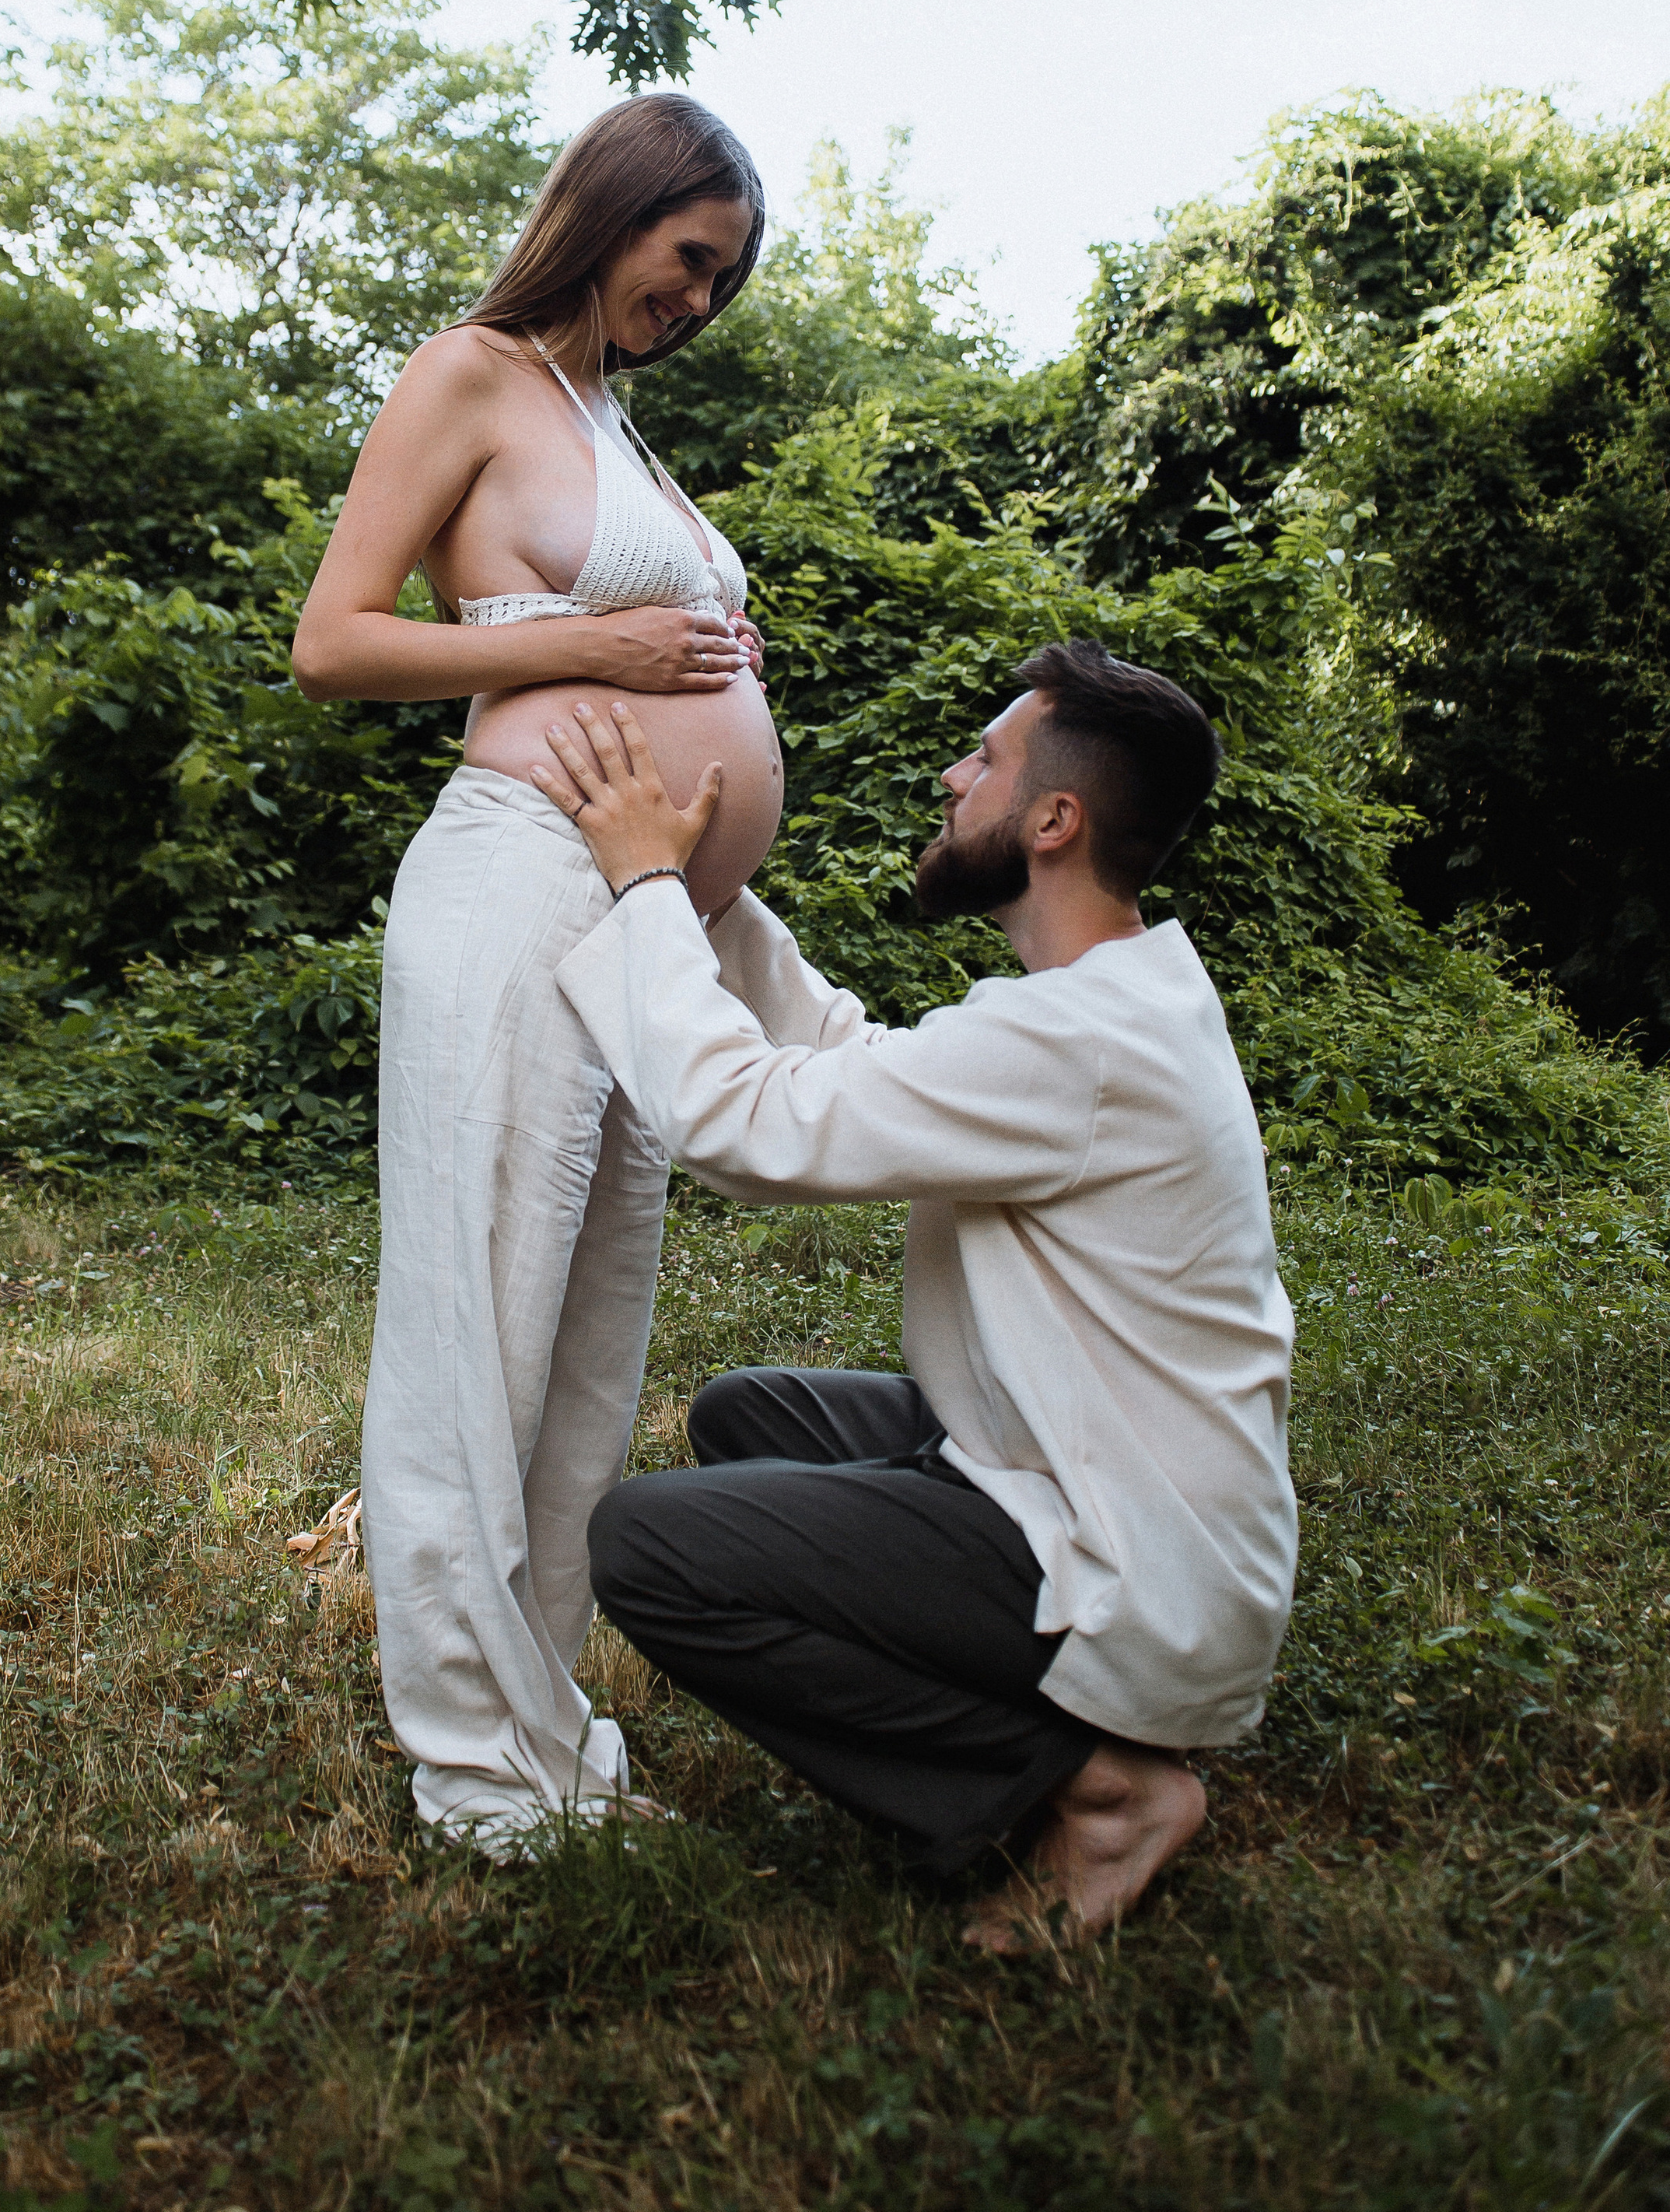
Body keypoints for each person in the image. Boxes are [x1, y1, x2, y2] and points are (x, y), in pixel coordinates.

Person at [527, 636, 1297, 1945]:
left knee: (646, 1549)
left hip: (1136, 1563)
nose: (954, 776)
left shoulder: (1078, 1037)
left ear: (1054, 820)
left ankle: (1090, 1784)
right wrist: (711, 903)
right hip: (1081, 1469)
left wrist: (648, 883)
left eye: (985, 758)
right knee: (749, 1414)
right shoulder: (1101, 1004)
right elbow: (859, 1060)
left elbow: (745, 1128)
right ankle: (1043, 1718)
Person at [291, 93, 783, 1855]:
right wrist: (597, 641)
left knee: (588, 1337)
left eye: (724, 281)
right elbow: (332, 640)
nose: (701, 301)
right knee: (473, 1329)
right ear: (617, 207)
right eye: (688, 258)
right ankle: (474, 1763)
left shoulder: (611, 423)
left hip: (634, 921)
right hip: (511, 894)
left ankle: (542, 1709)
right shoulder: (473, 373)